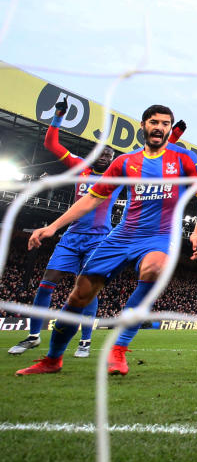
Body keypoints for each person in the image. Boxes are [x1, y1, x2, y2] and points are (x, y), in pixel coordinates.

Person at [18, 105, 197, 375]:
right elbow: (92, 198)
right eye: (154, 122)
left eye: (165, 124)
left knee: (155, 269)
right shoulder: (124, 162)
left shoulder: (184, 158)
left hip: (159, 236)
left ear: (170, 129)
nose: (159, 127)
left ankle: (118, 348)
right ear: (143, 125)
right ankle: (52, 359)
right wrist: (53, 226)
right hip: (121, 235)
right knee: (79, 296)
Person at [9, 100, 119, 359]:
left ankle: (85, 340)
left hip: (99, 239)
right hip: (71, 237)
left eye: (109, 155)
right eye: (102, 153)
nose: (105, 157)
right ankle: (34, 336)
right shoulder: (80, 167)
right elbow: (51, 145)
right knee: (46, 283)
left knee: (87, 288)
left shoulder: (117, 177)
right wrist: (58, 116)